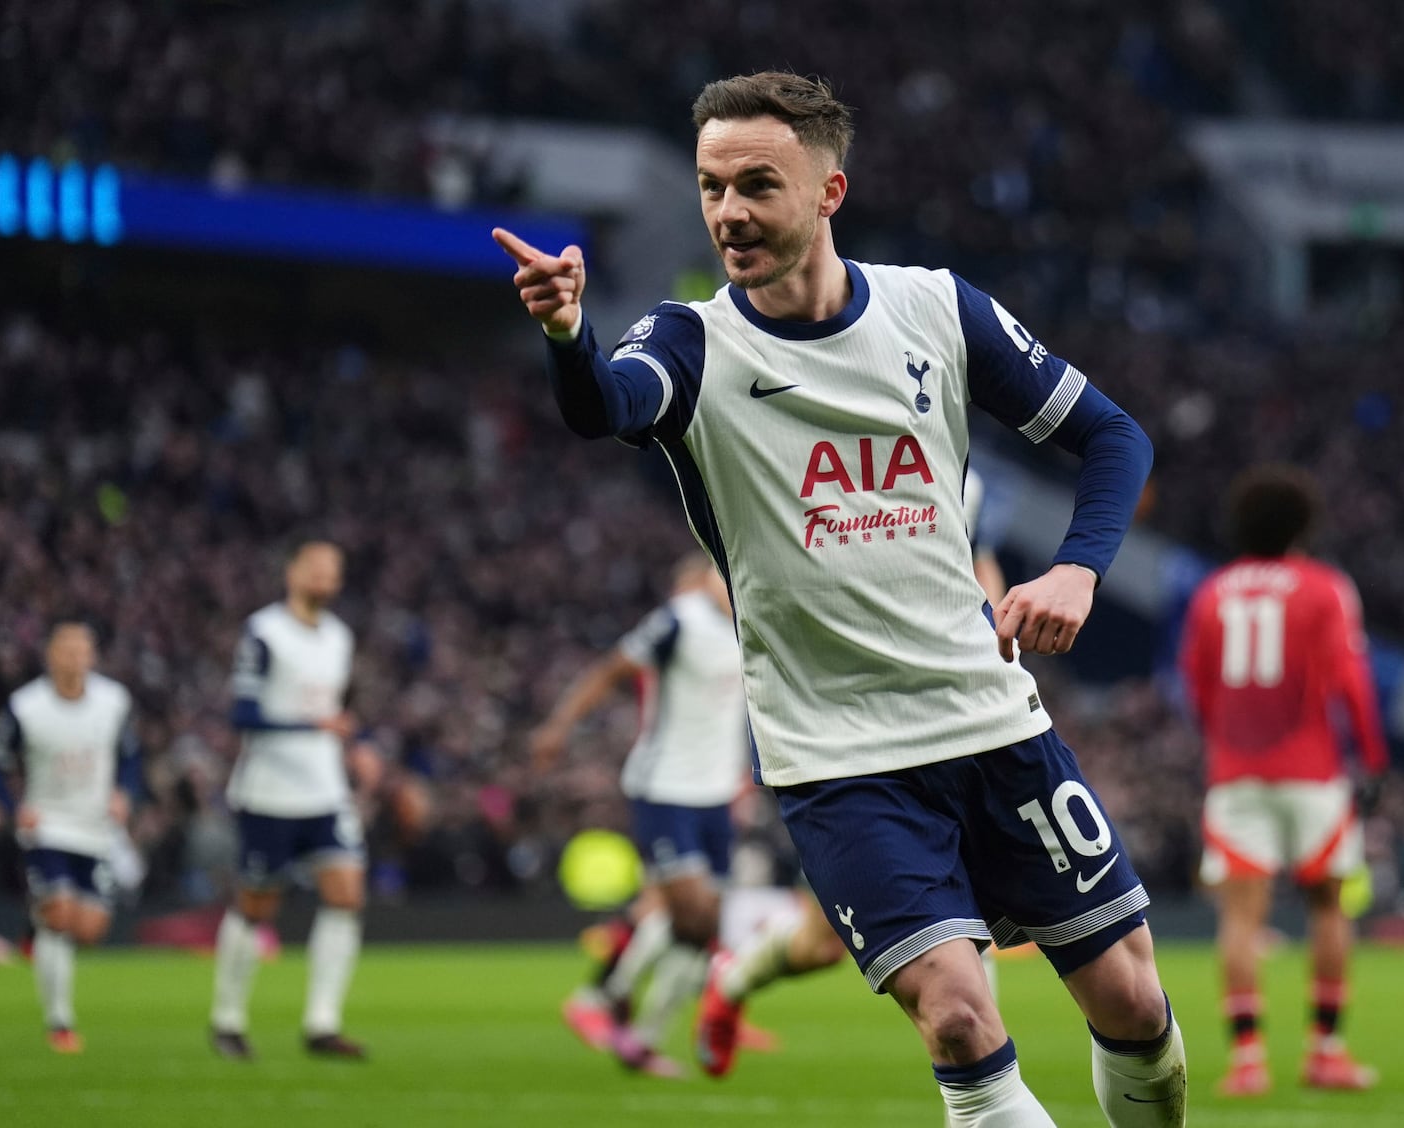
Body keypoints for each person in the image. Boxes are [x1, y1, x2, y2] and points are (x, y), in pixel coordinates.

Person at [496, 71, 1184, 1127]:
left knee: (1133, 1003)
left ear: (828, 191)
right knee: (957, 1017)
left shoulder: (936, 309)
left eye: (757, 185)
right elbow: (605, 407)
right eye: (710, 187)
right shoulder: (689, 343)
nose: (728, 212)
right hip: (839, 756)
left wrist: (1076, 565)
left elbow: (1113, 436)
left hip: (990, 719)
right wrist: (565, 335)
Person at [692, 465, 1011, 1079]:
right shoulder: (795, 451)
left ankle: (729, 983)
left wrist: (995, 640)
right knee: (820, 946)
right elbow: (724, 573)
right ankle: (730, 982)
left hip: (947, 721)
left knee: (955, 946)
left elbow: (980, 566)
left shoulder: (961, 474)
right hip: (847, 741)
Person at [1178, 464, 1388, 1096]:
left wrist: (1224, 742)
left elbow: (1196, 686)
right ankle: (1325, 1051)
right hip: (1312, 770)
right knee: (1328, 906)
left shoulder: (1212, 592)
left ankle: (1248, 1063)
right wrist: (1372, 758)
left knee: (1241, 918)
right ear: (1304, 525)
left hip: (1236, 773)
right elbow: (1350, 682)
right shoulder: (1325, 587)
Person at [531, 555, 748, 1076]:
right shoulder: (679, 620)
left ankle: (642, 1037)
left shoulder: (751, 620)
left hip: (716, 793)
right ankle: (602, 997)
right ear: (707, 578)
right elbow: (611, 668)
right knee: (692, 913)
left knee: (699, 925)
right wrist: (559, 726)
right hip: (665, 788)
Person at [209, 539, 366, 1061]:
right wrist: (311, 725)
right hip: (269, 788)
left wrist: (352, 746)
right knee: (257, 904)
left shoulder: (340, 637)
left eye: (333, 570)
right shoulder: (264, 633)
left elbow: (336, 712)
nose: (324, 577)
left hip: (325, 788)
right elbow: (243, 715)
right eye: (315, 567)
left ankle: (322, 1023)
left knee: (346, 892)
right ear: (292, 572)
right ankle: (227, 1018)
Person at [0, 621, 140, 1053]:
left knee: (89, 930)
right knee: (60, 915)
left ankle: (36, 928)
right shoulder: (26, 706)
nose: (74, 658)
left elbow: (129, 756)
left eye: (81, 650)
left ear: (92, 656)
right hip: (48, 825)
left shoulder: (113, 701)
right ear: (50, 655)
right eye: (66, 650)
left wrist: (124, 793)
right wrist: (18, 810)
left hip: (95, 827)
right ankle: (60, 1021)